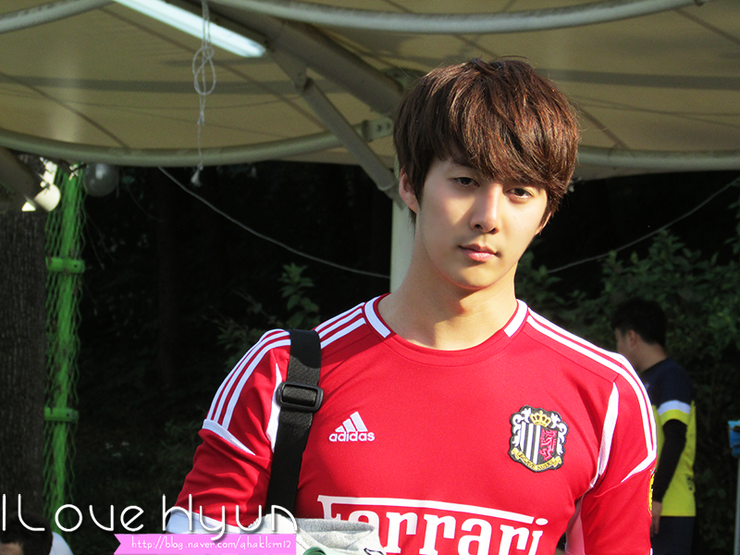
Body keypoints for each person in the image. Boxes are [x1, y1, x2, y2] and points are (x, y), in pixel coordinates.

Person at [168, 58, 656, 555]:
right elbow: (189, 548)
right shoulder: (281, 373)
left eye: (518, 191)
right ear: (409, 184)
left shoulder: (606, 395)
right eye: (465, 180)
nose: (488, 217)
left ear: (546, 213)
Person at [613, 298, 696, 555]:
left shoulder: (671, 376)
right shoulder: (641, 381)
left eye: (618, 340)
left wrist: (656, 497)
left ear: (631, 337)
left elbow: (676, 436)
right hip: (645, 506)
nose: (617, 349)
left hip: (669, 507)